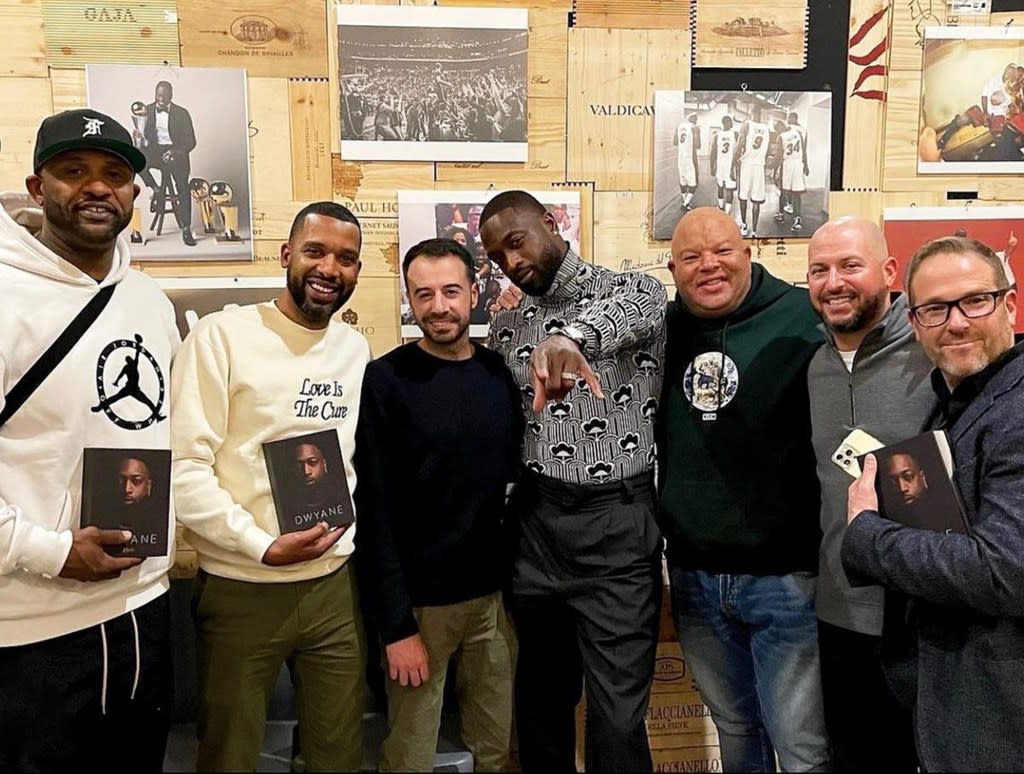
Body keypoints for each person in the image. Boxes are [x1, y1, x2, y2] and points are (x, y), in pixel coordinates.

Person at [0, 108, 179, 772]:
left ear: (136, 194)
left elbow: (169, 437)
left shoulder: (151, 302)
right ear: (37, 187)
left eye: (115, 173)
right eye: (73, 171)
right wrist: (50, 553)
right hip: (32, 630)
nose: (98, 187)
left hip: (145, 608)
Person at [170, 201, 370, 771]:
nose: (330, 268)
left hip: (334, 586)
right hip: (242, 588)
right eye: (316, 252)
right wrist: (259, 545)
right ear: (287, 256)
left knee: (338, 752)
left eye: (346, 259)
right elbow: (185, 468)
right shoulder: (221, 337)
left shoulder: (354, 350)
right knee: (229, 754)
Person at [479, 190, 665, 773]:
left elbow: (636, 308)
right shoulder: (507, 325)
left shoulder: (634, 292)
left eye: (517, 242)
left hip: (618, 524)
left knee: (616, 717)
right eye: (497, 257)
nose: (511, 262)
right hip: (536, 525)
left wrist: (570, 339)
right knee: (539, 703)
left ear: (553, 224)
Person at [843, 235, 1024, 771]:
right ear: (915, 322)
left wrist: (867, 534)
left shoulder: (1016, 412)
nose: (957, 322)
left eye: (975, 300)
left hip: (998, 714)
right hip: (959, 696)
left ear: (1008, 304)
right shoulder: (958, 401)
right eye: (935, 309)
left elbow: (1005, 573)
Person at [658, 206, 828, 772]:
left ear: (748, 252)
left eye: (722, 251)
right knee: (735, 729)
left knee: (801, 747)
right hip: (694, 575)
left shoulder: (807, 316)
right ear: (673, 267)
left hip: (786, 577)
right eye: (690, 257)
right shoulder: (662, 327)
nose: (708, 265)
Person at [353, 237, 521, 772]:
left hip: (495, 602)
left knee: (494, 749)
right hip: (421, 609)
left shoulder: (499, 375)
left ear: (474, 292)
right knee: (409, 753)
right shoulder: (385, 380)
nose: (439, 306)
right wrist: (396, 626)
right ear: (410, 300)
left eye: (451, 291)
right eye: (423, 294)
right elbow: (373, 509)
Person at [805, 217, 931, 774]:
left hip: (927, 616)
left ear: (888, 271)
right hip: (839, 614)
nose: (834, 282)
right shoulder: (815, 364)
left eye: (850, 266)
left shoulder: (934, 347)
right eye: (820, 270)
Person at [140, 80, 197, 247]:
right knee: (136, 158)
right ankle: (156, 189)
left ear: (171, 95)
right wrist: (138, 137)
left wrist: (176, 151)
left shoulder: (182, 113)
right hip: (156, 152)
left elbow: (191, 142)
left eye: (164, 96)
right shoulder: (147, 111)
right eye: (158, 95)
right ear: (154, 94)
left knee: (183, 189)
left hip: (176, 152)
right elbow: (143, 139)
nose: (161, 99)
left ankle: (186, 228)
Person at [735, 106, 770, 238]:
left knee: (743, 197)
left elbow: (739, 144)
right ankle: (755, 231)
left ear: (751, 114)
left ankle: (744, 225)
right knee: (756, 199)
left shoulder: (747, 124)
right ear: (760, 114)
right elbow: (766, 151)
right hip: (759, 166)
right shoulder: (766, 128)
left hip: (747, 164)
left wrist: (734, 161)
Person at [773, 112, 809, 233]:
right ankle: (797, 219)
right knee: (796, 194)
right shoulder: (798, 132)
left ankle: (781, 215)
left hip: (787, 164)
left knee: (783, 192)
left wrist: (773, 170)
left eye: (777, 130)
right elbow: (804, 149)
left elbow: (778, 156)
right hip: (798, 164)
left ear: (780, 128)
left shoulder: (781, 137)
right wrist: (806, 165)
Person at [711, 115, 738, 214]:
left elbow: (713, 153)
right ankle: (726, 212)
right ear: (727, 123)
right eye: (730, 122)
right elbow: (739, 150)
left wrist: (712, 166)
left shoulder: (717, 135)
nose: (731, 124)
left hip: (721, 165)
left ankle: (721, 207)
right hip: (729, 166)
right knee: (728, 189)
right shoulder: (735, 134)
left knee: (721, 187)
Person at [674, 112, 700, 214]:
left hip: (680, 159)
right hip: (690, 159)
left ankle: (685, 203)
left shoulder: (679, 126)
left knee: (683, 183)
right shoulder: (694, 128)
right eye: (696, 119)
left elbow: (675, 142)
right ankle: (685, 205)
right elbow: (698, 145)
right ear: (693, 119)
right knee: (694, 185)